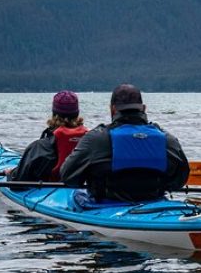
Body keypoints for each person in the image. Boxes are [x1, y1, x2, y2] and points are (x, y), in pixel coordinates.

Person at [60, 83, 189, 202]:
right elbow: (179, 181)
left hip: (105, 206)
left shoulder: (96, 138)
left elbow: (68, 176)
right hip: (155, 204)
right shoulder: (167, 139)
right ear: (143, 108)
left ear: (113, 109)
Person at [9, 90, 89, 182]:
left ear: (54, 114)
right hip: (82, 187)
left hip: (52, 187)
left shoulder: (40, 147)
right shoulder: (92, 141)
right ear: (77, 114)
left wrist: (11, 174)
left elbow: (18, 181)